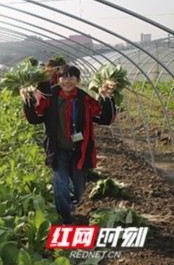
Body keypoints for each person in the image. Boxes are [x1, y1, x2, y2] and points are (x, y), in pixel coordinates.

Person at [22, 65, 116, 225]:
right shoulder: (50, 98)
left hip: (79, 150)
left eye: (71, 77)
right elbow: (35, 117)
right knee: (61, 187)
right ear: (58, 80)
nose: (67, 81)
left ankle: (72, 202)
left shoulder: (84, 98)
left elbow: (104, 117)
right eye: (64, 77)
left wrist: (107, 97)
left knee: (79, 189)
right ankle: (66, 219)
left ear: (78, 80)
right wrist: (28, 98)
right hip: (58, 151)